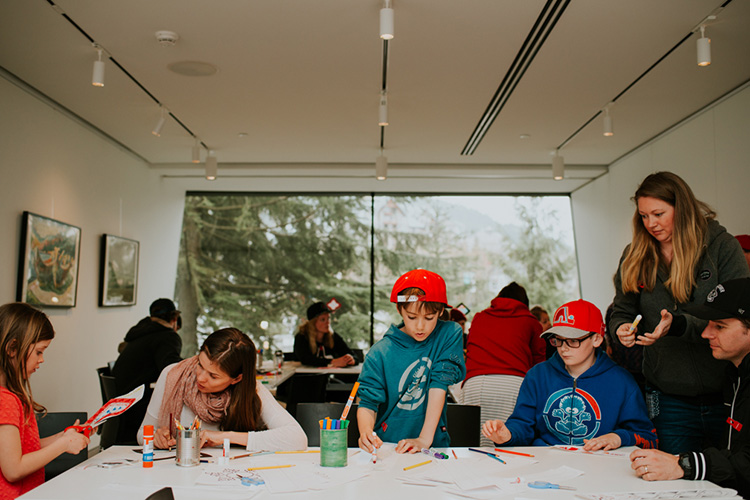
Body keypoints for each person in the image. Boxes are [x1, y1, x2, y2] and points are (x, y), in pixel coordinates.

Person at [611, 171, 749, 454]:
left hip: (725, 389)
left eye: (659, 214)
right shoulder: (635, 254)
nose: (651, 224)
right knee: (673, 478)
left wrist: (677, 324)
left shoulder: (721, 246)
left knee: (730, 477)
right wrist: (621, 328)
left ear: (681, 207)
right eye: (644, 216)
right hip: (667, 396)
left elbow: (738, 314)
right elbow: (621, 310)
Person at [629, 278, 750, 498]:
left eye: (720, 326)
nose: (705, 334)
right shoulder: (734, 373)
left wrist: (682, 464)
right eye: (709, 324)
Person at [483, 299, 657, 450]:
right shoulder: (537, 375)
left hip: (599, 467)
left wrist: (618, 437)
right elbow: (523, 425)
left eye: (573, 340)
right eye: (557, 340)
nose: (563, 348)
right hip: (546, 464)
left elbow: (648, 438)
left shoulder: (622, 382)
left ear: (596, 339)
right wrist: (508, 434)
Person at [138, 328, 306, 451]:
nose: (201, 377)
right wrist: (155, 438)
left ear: (237, 378)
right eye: (200, 364)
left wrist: (225, 437)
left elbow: (297, 438)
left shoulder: (252, 389)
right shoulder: (172, 375)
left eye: (213, 376)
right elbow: (141, 435)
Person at [357, 269, 465, 454]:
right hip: (388, 448)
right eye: (412, 317)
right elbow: (367, 403)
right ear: (399, 310)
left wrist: (424, 439)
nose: (420, 326)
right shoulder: (380, 352)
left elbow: (439, 384)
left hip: (433, 446)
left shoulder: (449, 334)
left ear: (440, 311)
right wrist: (366, 432)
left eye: (429, 318)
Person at [0, 303, 89, 499]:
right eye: (39, 352)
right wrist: (63, 446)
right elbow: (14, 469)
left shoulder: (11, 396)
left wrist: (62, 437)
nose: (42, 360)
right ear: (12, 349)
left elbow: (23, 448)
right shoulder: (5, 401)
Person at [463, 282, 545, 446]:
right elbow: (539, 364)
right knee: (509, 443)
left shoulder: (479, 317)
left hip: (475, 384)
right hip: (513, 385)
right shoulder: (530, 322)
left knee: (471, 447)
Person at [112, 298, 183, 444]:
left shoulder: (139, 333)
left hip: (121, 401)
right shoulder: (167, 336)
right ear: (174, 319)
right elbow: (171, 368)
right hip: (137, 404)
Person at [293, 302, 355, 368]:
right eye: (323, 319)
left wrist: (351, 360)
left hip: (327, 375)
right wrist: (332, 362)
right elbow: (305, 359)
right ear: (313, 323)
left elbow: (351, 354)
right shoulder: (302, 336)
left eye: (328, 318)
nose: (327, 322)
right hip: (305, 376)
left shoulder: (332, 336)